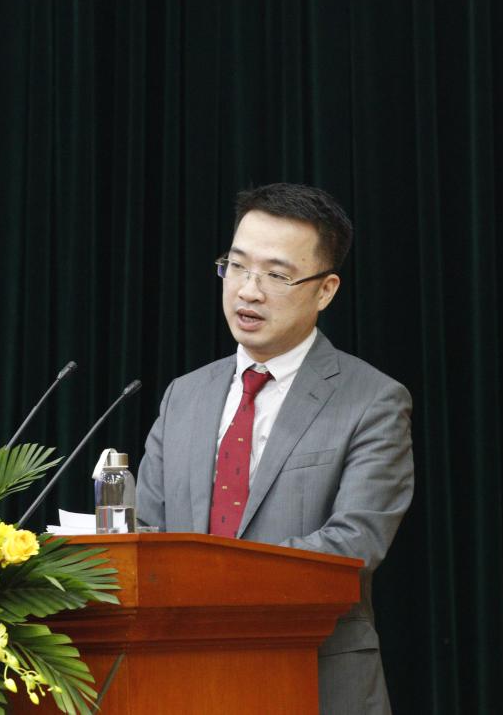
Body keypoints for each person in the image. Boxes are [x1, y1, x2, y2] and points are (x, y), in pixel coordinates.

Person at [136, 183, 415, 715]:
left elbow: (353, 546)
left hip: (311, 677)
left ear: (325, 290)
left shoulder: (372, 400)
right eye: (237, 266)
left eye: (277, 275)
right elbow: (147, 535)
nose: (249, 291)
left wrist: (213, 579)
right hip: (180, 678)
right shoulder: (184, 396)